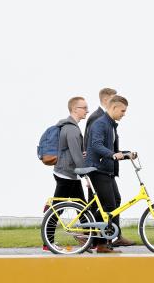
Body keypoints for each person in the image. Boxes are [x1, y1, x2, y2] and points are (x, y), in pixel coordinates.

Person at [85, 95, 136, 253]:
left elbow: (112, 149)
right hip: (97, 169)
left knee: (116, 201)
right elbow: (96, 145)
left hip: (107, 170)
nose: (124, 114)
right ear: (113, 108)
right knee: (107, 206)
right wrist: (112, 155)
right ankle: (100, 244)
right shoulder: (100, 123)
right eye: (122, 111)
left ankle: (108, 238)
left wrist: (127, 154)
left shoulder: (111, 125)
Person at [44, 97, 89, 251]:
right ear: (75, 109)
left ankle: (88, 239)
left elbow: (74, 153)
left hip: (69, 173)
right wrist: (86, 175)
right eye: (84, 108)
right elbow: (76, 155)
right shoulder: (71, 129)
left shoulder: (70, 127)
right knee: (58, 209)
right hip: (66, 174)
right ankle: (47, 242)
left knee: (82, 207)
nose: (87, 111)